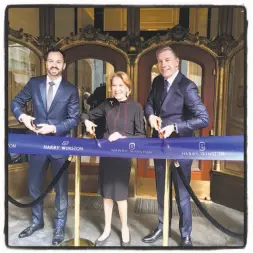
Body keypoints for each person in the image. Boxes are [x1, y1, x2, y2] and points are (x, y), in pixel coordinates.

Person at [11, 48, 80, 246]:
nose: (54, 65)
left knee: (61, 189)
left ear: (64, 66)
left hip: (59, 144)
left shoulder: (71, 89)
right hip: (37, 144)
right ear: (46, 63)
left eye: (58, 62)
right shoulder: (34, 83)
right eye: (51, 61)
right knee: (34, 185)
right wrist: (23, 117)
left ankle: (59, 227)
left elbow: (74, 119)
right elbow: (16, 102)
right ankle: (36, 221)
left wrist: (54, 128)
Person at [143, 45, 209, 246]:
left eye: (167, 60)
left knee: (181, 194)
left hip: (181, 149)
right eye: (160, 61)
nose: (163, 64)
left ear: (177, 61)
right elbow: (149, 104)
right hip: (160, 146)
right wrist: (151, 115)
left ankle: (185, 234)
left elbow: (203, 118)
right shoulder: (156, 81)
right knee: (162, 191)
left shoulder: (187, 86)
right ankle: (162, 227)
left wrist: (175, 127)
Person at [81, 71, 146, 246]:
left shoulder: (136, 107)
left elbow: (141, 136)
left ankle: (124, 228)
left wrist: (123, 138)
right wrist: (87, 121)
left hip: (123, 157)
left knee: (120, 194)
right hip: (107, 155)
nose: (116, 89)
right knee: (107, 194)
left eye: (121, 86)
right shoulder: (107, 104)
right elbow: (86, 114)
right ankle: (107, 228)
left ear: (128, 88)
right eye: (114, 85)